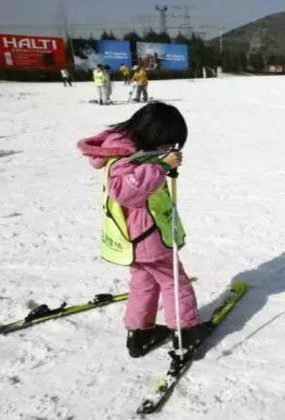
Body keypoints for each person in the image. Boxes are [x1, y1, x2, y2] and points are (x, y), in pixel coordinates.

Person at [77, 102, 202, 358]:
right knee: (174, 282)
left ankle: (139, 332)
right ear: (154, 135)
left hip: (135, 238)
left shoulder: (131, 149)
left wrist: (160, 162)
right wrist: (161, 167)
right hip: (147, 236)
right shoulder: (124, 157)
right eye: (167, 144)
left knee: (143, 282)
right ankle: (185, 332)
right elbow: (126, 192)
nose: (168, 150)